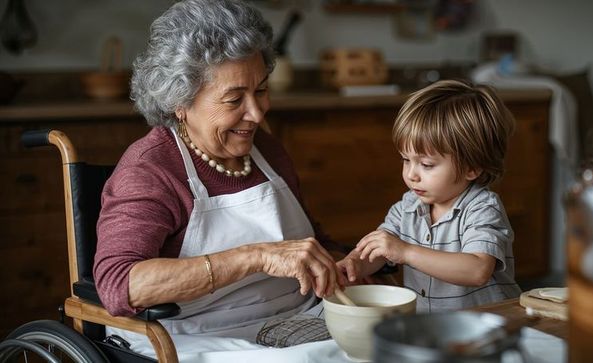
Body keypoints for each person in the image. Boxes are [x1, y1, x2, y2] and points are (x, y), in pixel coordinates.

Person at [93, 0, 343, 358]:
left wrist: (340, 263)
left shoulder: (267, 152)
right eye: (234, 99)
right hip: (194, 336)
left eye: (260, 90)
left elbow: (312, 240)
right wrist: (255, 256)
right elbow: (120, 284)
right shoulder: (150, 169)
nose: (256, 114)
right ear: (180, 102)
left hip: (295, 320)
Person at [338, 79, 522, 313]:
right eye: (406, 159)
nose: (411, 174)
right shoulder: (406, 207)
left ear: (472, 168)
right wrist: (353, 265)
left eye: (426, 164)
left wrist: (405, 251)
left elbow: (477, 270)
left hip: (486, 328)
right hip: (432, 326)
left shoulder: (483, 208)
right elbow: (379, 251)